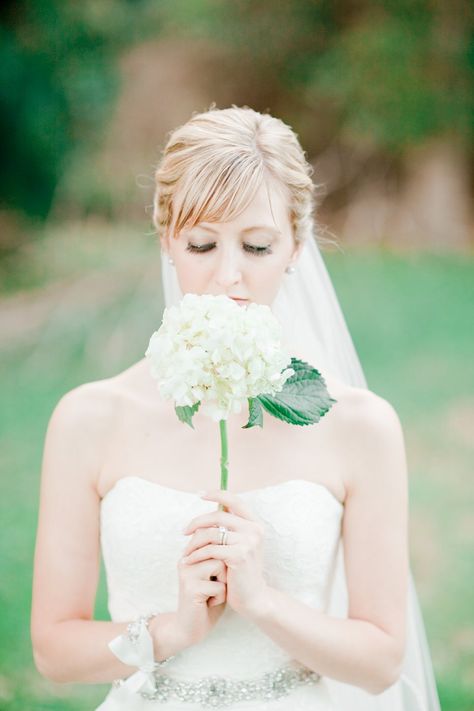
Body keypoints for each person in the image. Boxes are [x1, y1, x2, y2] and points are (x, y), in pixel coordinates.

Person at [31, 105, 441, 710]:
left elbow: (382, 663)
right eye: (201, 243)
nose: (229, 275)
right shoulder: (90, 418)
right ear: (167, 238)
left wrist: (263, 603)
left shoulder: (360, 425)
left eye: (256, 245)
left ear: (296, 246)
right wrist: (171, 631)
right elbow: (54, 652)